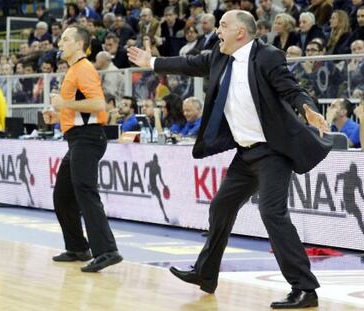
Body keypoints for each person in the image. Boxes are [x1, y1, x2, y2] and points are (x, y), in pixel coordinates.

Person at [128, 9, 331, 309]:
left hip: (274, 150)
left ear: (241, 32)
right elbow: (187, 63)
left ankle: (305, 289)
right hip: (246, 152)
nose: (217, 30)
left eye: (223, 25)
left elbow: (291, 89)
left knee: (272, 213)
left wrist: (308, 109)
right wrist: (153, 62)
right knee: (221, 206)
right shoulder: (219, 57)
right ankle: (205, 273)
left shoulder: (267, 56)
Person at [43, 25, 123, 272]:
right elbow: (80, 110)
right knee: (64, 195)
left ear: (79, 44)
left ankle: (107, 250)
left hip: (88, 138)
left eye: (66, 39)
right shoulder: (73, 70)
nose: (60, 43)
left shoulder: (84, 68)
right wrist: (58, 117)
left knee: (85, 191)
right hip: (77, 137)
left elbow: (99, 105)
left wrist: (63, 103)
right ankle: (78, 246)